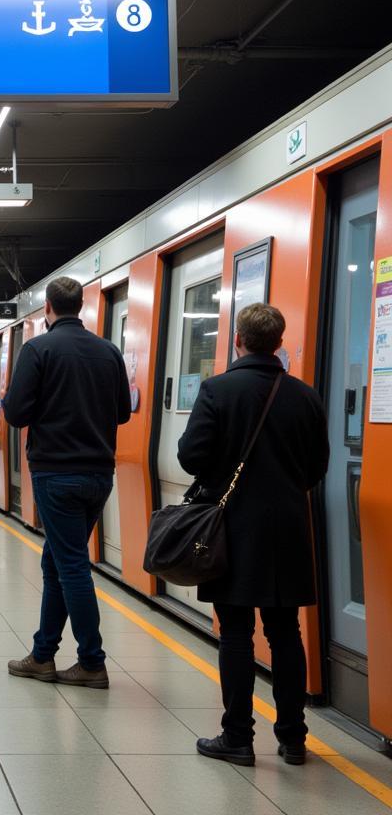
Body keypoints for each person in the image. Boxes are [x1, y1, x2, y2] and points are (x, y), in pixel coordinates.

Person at [178, 303, 329, 767]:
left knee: (237, 633)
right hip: (286, 528)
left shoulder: (217, 390)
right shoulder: (305, 396)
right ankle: (294, 739)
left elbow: (191, 457)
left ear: (237, 339)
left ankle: (238, 737)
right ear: (279, 343)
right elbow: (316, 467)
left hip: (232, 529)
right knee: (285, 631)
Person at [2, 276, 130, 689]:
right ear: (82, 305)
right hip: (99, 474)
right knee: (56, 561)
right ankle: (42, 655)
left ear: (48, 310)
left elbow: (17, 413)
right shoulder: (109, 351)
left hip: (56, 473)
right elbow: (123, 413)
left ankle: (92, 662)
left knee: (71, 564)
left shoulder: (38, 349)